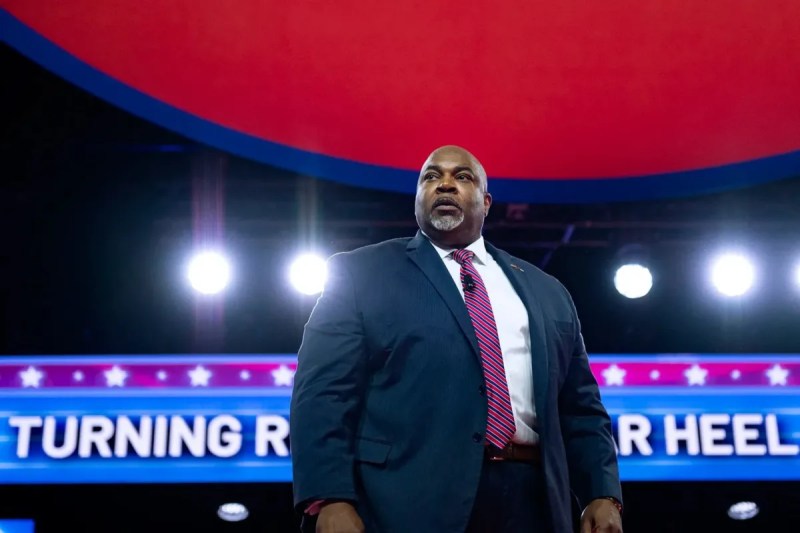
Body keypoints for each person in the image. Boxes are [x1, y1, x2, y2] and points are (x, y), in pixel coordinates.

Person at [290, 145, 623, 533]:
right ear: (417, 197)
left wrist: (602, 492)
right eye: (431, 177)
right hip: (404, 501)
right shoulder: (360, 273)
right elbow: (322, 395)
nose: (445, 184)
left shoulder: (547, 290)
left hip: (535, 503)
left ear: (486, 201)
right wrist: (329, 498)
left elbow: (580, 407)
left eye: (461, 177)